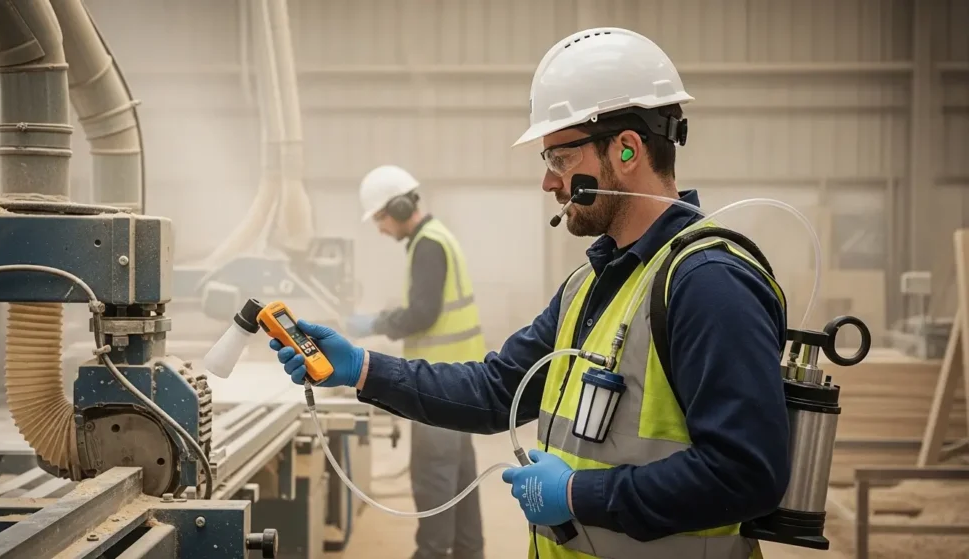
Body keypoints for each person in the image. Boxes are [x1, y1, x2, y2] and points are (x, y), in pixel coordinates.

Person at [272, 28, 790, 559]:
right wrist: (361, 368)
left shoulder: (708, 283)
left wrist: (578, 494)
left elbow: (746, 474)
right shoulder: (589, 285)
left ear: (627, 149)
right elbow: (497, 390)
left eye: (559, 159)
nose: (548, 182)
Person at [344, 164, 487, 559]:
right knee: (460, 480)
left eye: (380, 218)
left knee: (434, 479)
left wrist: (377, 322)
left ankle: (431, 553)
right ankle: (469, 553)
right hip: (460, 382)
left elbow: (423, 314)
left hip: (439, 386)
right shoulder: (437, 237)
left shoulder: (427, 244)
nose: (380, 228)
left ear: (401, 208)